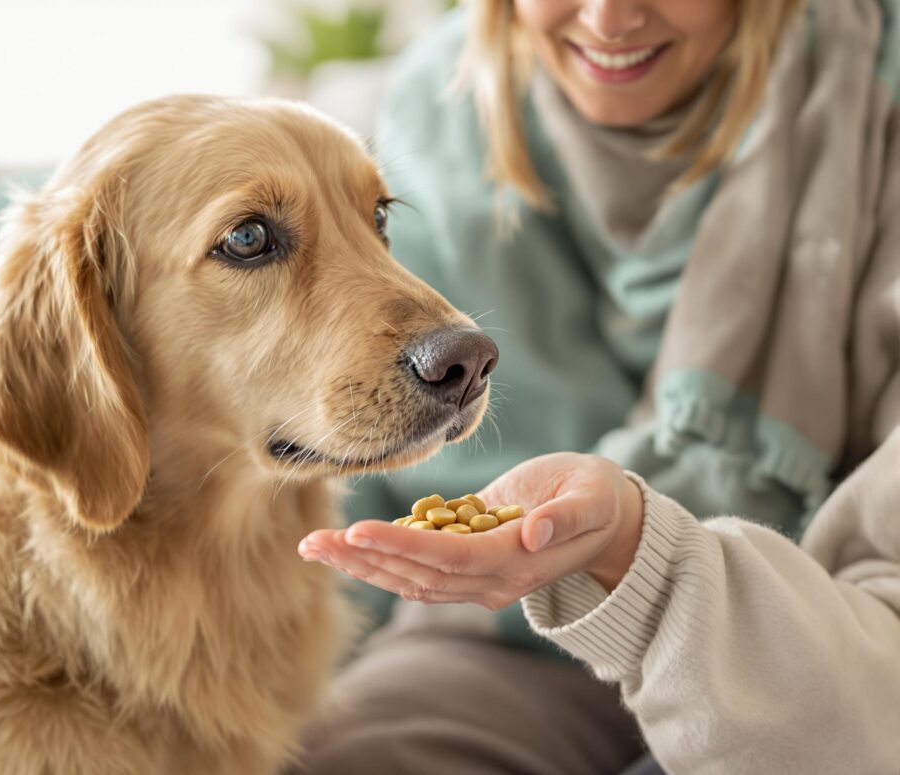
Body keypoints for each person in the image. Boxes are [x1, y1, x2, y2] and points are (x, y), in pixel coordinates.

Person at [294, 0, 900, 772]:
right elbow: (338, 515)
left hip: (828, 655)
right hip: (500, 644)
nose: (610, 20)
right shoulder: (418, 126)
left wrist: (633, 551)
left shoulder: (874, 113)